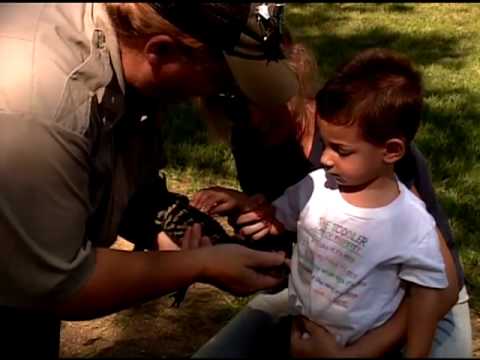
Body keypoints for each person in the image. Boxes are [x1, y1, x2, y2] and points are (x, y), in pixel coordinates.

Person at [0, 3, 301, 357]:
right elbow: (56, 284)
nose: (219, 97)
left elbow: (124, 182)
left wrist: (169, 230)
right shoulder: (42, 103)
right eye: (222, 83)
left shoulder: (128, 59)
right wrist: (198, 265)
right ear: (160, 51)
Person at [191, 49, 472, 357]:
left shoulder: (371, 142)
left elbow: (435, 289)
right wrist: (242, 219)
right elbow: (290, 248)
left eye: (258, 98)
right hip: (325, 299)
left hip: (407, 307)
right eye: (233, 105)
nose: (252, 119)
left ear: (287, 79)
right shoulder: (260, 144)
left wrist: (352, 355)